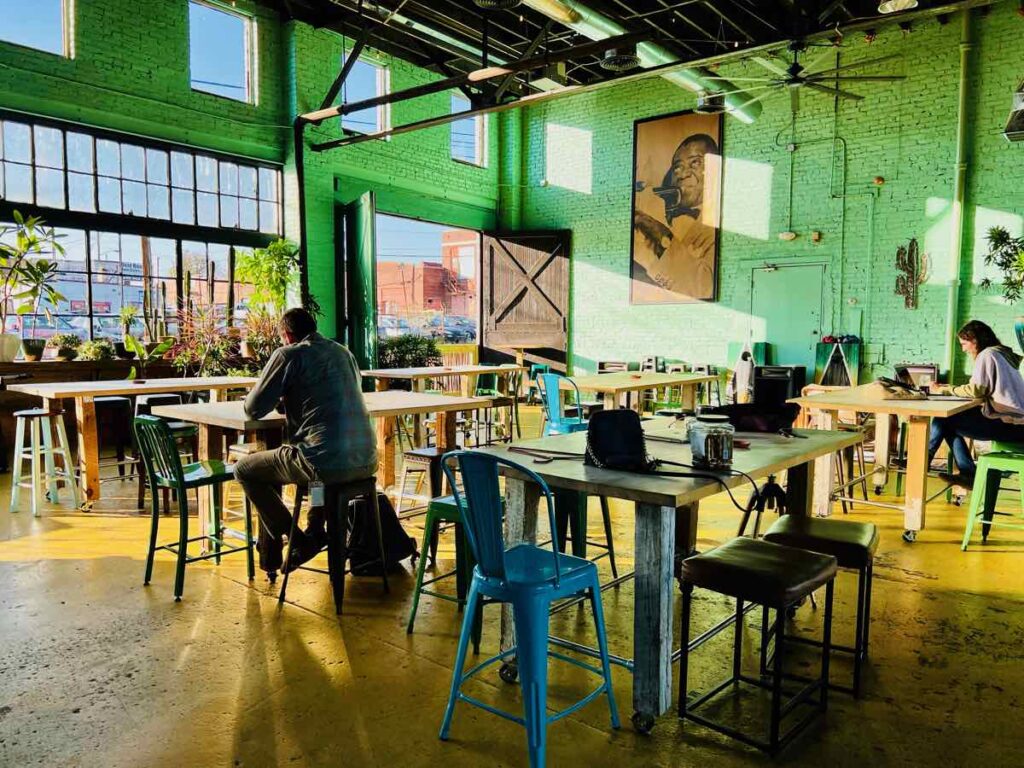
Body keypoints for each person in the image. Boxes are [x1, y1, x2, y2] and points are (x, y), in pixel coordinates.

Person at [235, 307, 377, 574]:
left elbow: (252, 409)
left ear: (287, 336)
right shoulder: (342, 352)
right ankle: (315, 529)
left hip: (324, 462)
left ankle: (298, 540)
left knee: (245, 470)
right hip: (366, 460)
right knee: (316, 474)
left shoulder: (288, 354)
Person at [927, 320, 1024, 486]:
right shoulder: (1002, 354)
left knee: (944, 419)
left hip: (1010, 424)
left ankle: (922, 460)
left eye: (964, 344)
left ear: (975, 340)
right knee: (948, 420)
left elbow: (977, 390)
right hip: (1017, 423)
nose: (963, 349)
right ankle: (966, 472)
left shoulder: (987, 354)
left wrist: (945, 389)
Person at [632, 133, 719, 300]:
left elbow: (703, 289)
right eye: (677, 167)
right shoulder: (655, 208)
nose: (682, 173)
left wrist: (662, 237)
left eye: (695, 163)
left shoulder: (720, 225)